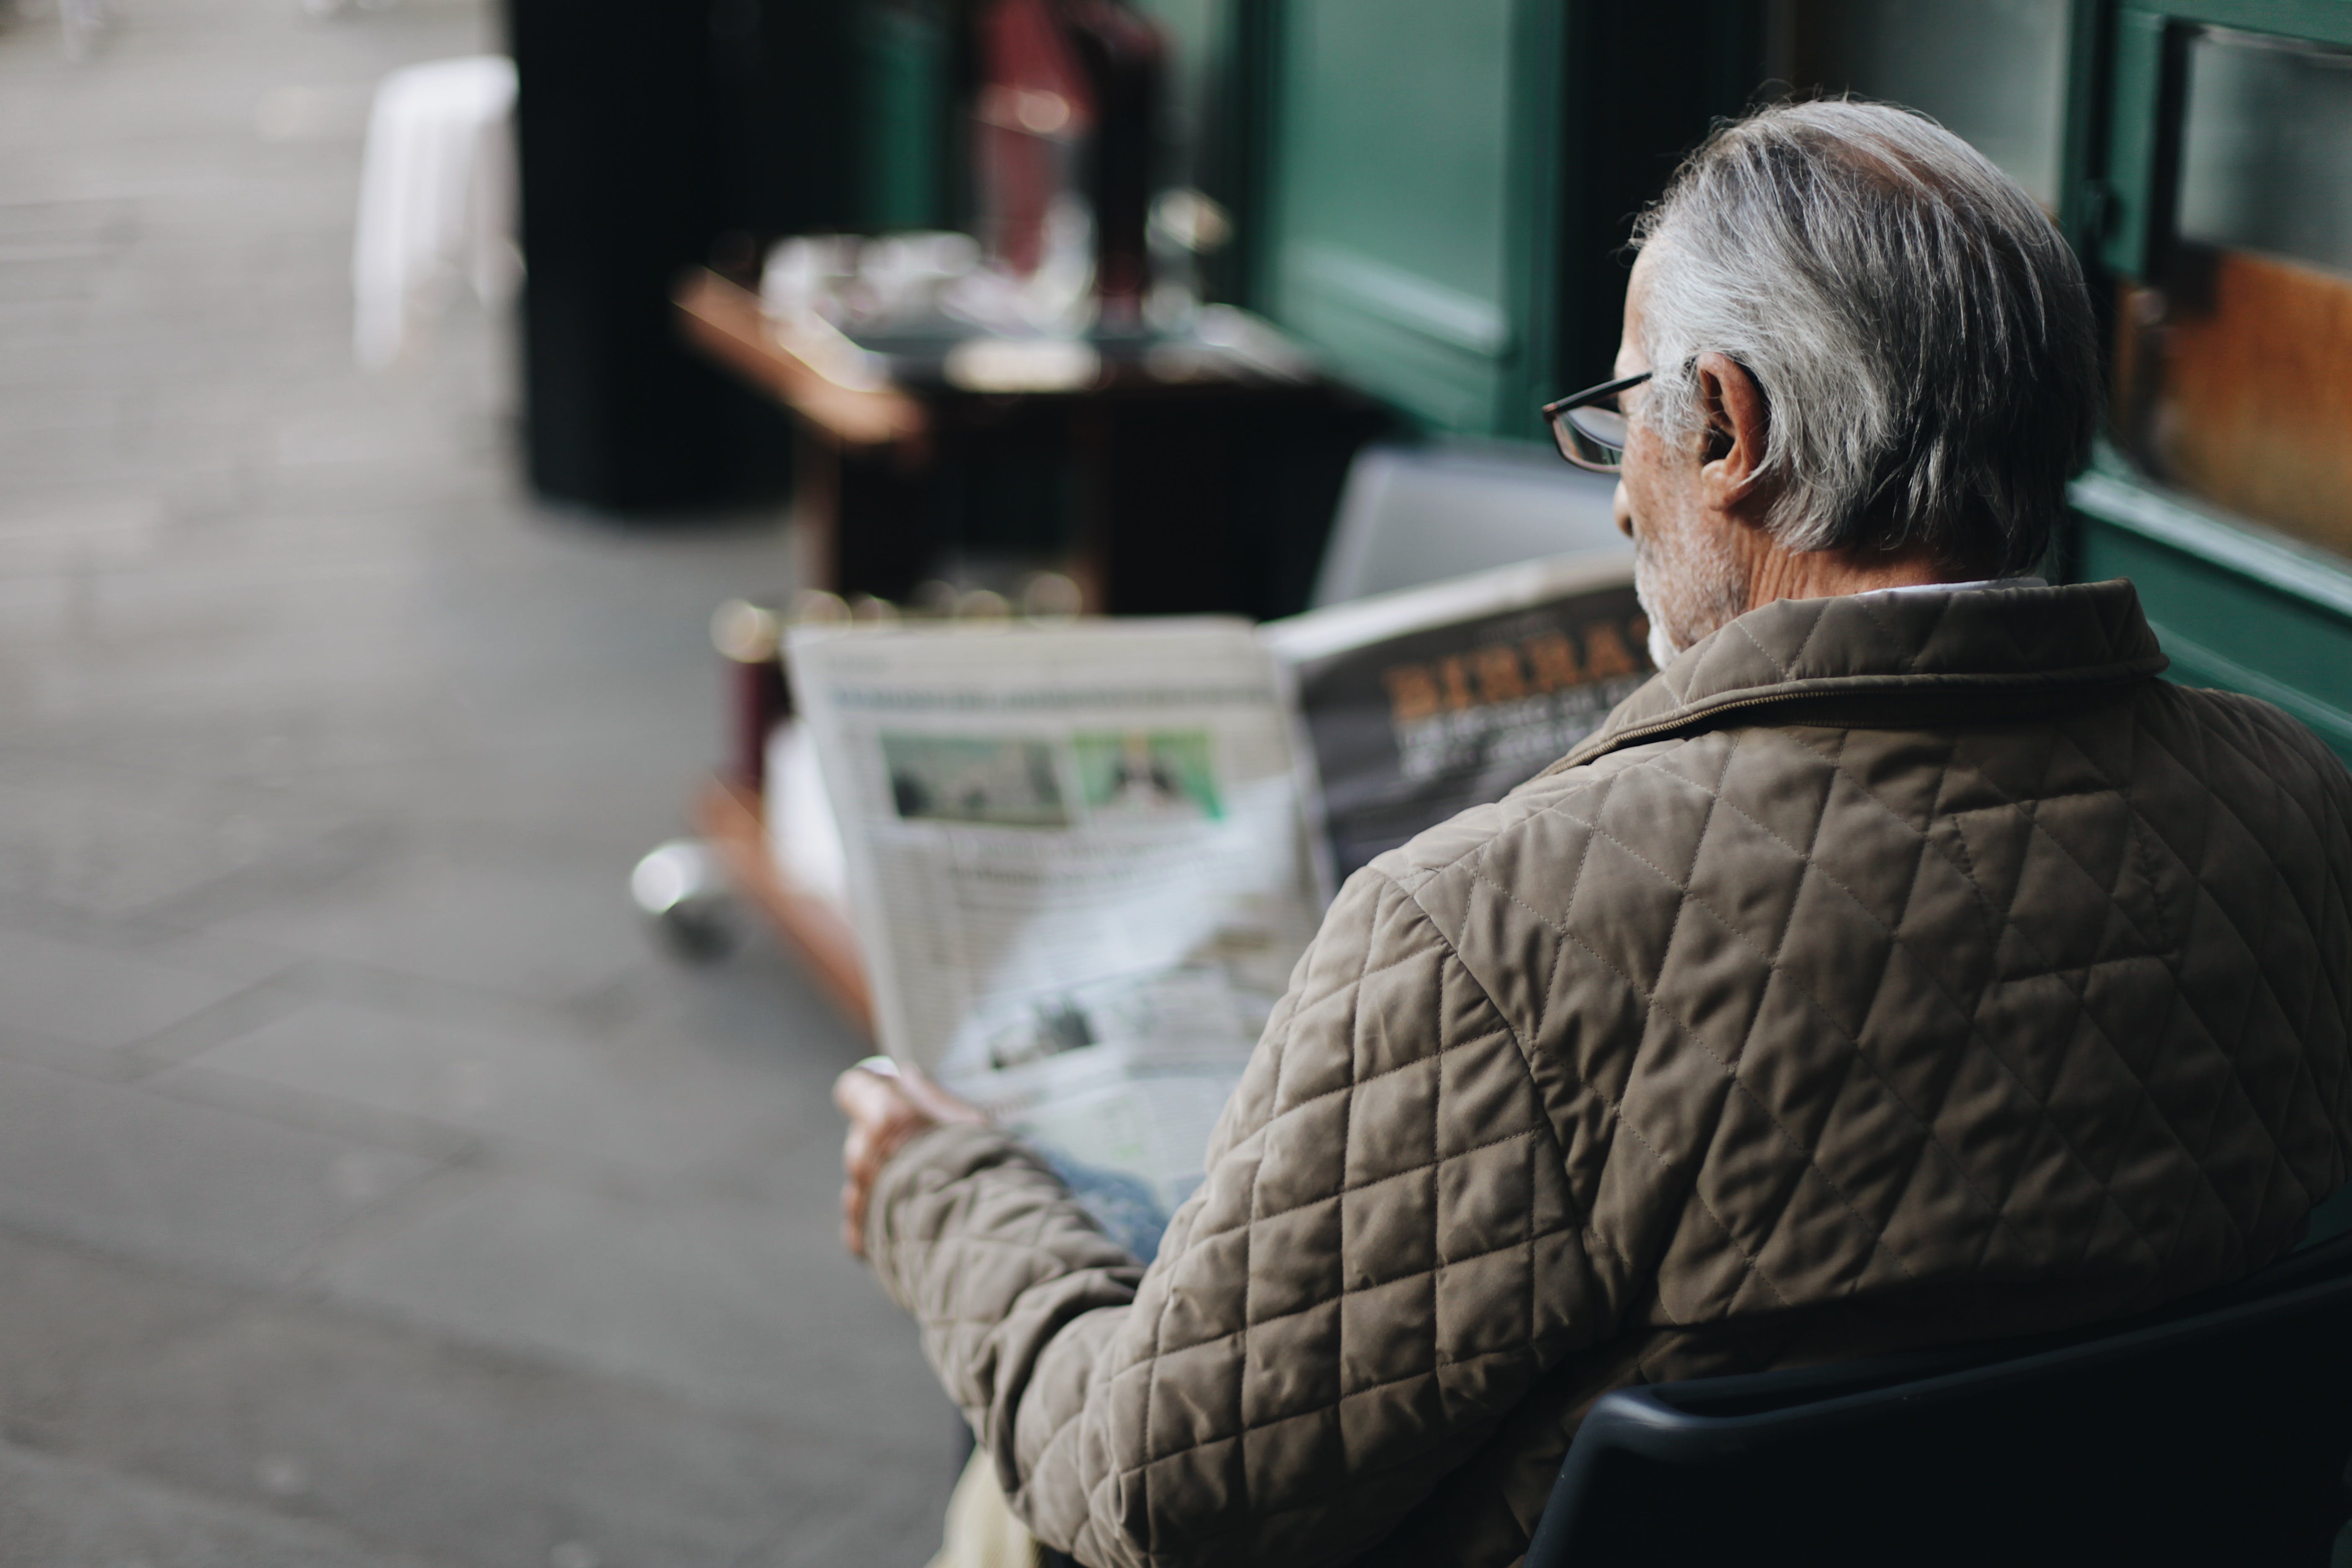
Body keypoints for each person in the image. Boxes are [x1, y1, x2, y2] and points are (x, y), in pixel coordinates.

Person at [832, 100, 2352, 1568]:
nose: (1621, 502)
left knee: (1021, 1482)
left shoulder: (1493, 932)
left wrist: (939, 1191)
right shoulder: (2297, 804)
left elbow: (1159, 1501)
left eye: (1625, 410)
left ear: (1729, 426)